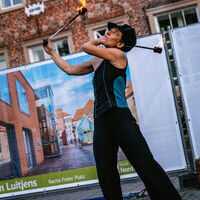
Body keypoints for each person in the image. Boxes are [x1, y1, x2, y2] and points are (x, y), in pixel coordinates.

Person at [43, 22, 182, 200]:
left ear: (120, 44)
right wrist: (52, 52)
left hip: (121, 119)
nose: (108, 32)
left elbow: (86, 46)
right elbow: (70, 69)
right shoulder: (97, 60)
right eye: (108, 30)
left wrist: (100, 39)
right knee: (105, 172)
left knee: (146, 165)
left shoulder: (118, 55)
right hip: (101, 122)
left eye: (114, 33)